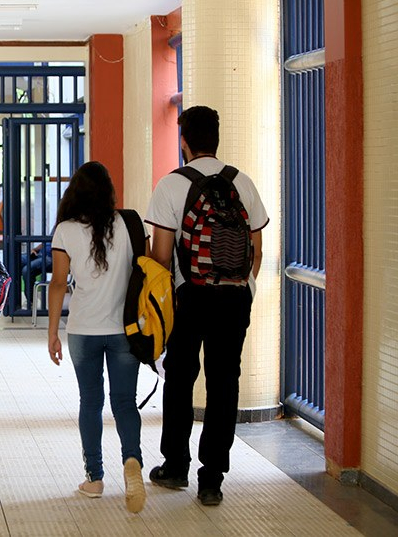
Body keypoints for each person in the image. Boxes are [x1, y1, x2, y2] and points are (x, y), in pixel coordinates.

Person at [145, 105, 268, 506]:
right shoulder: (242, 183)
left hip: (190, 297)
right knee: (224, 383)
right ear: (216, 139)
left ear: (184, 142)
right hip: (233, 298)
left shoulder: (171, 186)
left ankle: (175, 467)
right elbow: (257, 250)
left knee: (180, 379)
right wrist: (243, 289)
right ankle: (212, 479)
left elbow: (161, 257)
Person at [47, 161, 147, 513]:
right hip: (124, 331)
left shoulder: (66, 231)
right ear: (108, 191)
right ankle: (132, 461)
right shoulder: (128, 223)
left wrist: (52, 332)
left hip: (83, 331)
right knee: (124, 402)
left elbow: (59, 284)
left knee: (91, 402)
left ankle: (95, 477)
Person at [20, 240, 53, 306]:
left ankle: (30, 300)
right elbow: (46, 242)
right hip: (40, 255)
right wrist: (34, 249)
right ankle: (12, 300)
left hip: (52, 258)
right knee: (17, 260)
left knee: (27, 270)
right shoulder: (55, 229)